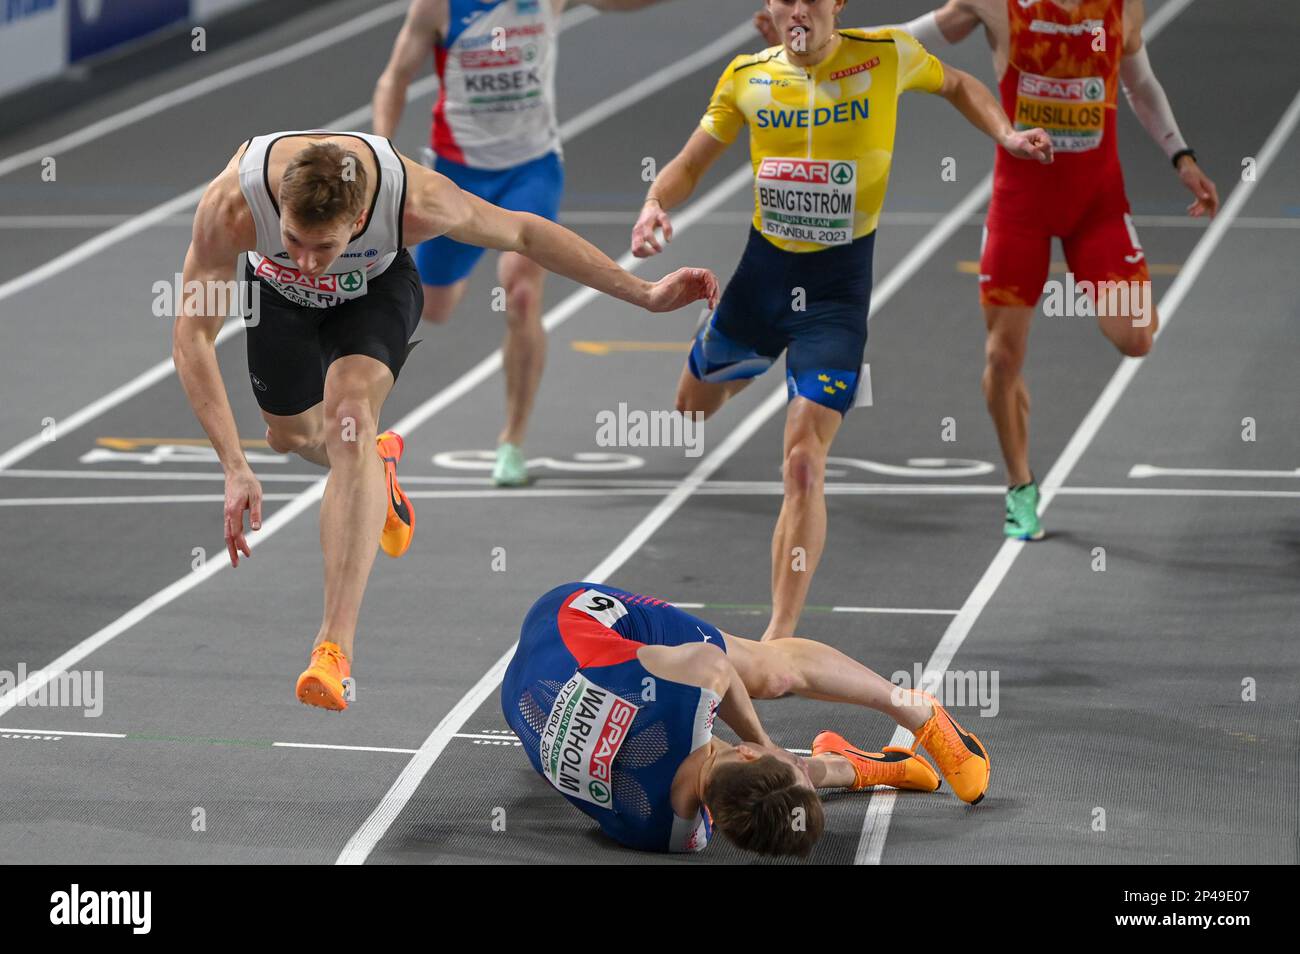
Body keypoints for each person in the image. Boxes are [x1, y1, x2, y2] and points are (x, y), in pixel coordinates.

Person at [174, 130, 718, 710]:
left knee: (350, 415)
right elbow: (193, 337)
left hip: (373, 291)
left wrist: (644, 293)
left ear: (359, 218)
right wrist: (233, 465)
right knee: (290, 437)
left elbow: (526, 231)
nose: (307, 262)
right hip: (278, 299)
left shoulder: (417, 202)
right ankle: (377, 468)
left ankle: (332, 648)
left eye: (323, 247)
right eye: (293, 240)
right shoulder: (233, 205)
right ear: (277, 207)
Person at [632, 0, 1051, 641]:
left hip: (836, 300)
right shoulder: (747, 76)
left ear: (836, 4)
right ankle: (724, 355)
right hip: (760, 289)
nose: (799, 8)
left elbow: (960, 83)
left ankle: (781, 637)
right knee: (690, 412)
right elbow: (690, 164)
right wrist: (655, 203)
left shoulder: (884, 56)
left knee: (803, 462)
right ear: (770, 8)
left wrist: (1006, 134)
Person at [757, 0, 1220, 539]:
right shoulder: (998, 5)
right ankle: (1021, 487)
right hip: (1020, 205)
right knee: (1002, 356)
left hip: (1096, 206)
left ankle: (1027, 469)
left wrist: (1181, 157)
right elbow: (908, 39)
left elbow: (1140, 85)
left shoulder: (1121, 9)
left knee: (1136, 336)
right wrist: (821, 40)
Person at [372, 0, 680, 487]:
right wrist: (381, 150)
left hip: (531, 170)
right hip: (458, 173)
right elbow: (394, 77)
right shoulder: (436, 7)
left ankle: (511, 440)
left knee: (521, 293)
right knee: (432, 306)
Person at [503, 581, 990, 855]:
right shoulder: (672, 835)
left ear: (749, 751)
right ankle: (856, 765)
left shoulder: (691, 692)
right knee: (767, 783)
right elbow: (754, 794)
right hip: (518, 701)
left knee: (767, 674)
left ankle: (913, 709)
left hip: (569, 617)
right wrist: (785, 764)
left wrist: (766, 739)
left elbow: (715, 666)